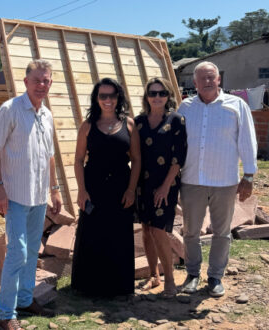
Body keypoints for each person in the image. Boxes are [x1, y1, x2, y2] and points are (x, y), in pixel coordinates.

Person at [0, 59, 63, 330]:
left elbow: (50, 156)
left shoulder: (47, 114)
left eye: (46, 80)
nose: (42, 85)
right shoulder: (10, 110)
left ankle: (26, 299)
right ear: (26, 82)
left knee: (32, 250)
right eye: (37, 80)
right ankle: (6, 314)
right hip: (15, 195)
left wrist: (54, 190)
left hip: (39, 195)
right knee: (17, 251)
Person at [178, 61, 257, 297]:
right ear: (194, 83)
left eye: (211, 77)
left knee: (221, 233)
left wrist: (249, 175)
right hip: (192, 179)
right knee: (191, 231)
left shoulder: (236, 105)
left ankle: (215, 277)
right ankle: (192, 274)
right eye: (202, 78)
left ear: (219, 79)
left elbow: (247, 140)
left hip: (224, 181)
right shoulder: (186, 107)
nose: (208, 81)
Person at [70, 77, 141, 298]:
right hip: (94, 187)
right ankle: (89, 286)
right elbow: (78, 160)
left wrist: (131, 189)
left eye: (112, 95)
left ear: (118, 97)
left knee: (118, 235)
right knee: (92, 234)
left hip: (121, 187)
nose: (107, 100)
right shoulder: (88, 126)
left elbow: (137, 159)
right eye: (103, 96)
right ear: (96, 98)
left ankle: (118, 286)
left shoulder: (129, 124)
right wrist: (81, 190)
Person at [134, 77, 187, 298]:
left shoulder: (176, 121)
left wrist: (165, 187)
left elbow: (178, 157)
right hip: (142, 183)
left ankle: (170, 281)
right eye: (153, 93)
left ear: (168, 96)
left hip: (166, 183)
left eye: (161, 93)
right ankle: (153, 275)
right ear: (146, 97)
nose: (157, 97)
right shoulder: (138, 122)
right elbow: (134, 155)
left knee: (159, 229)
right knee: (146, 229)